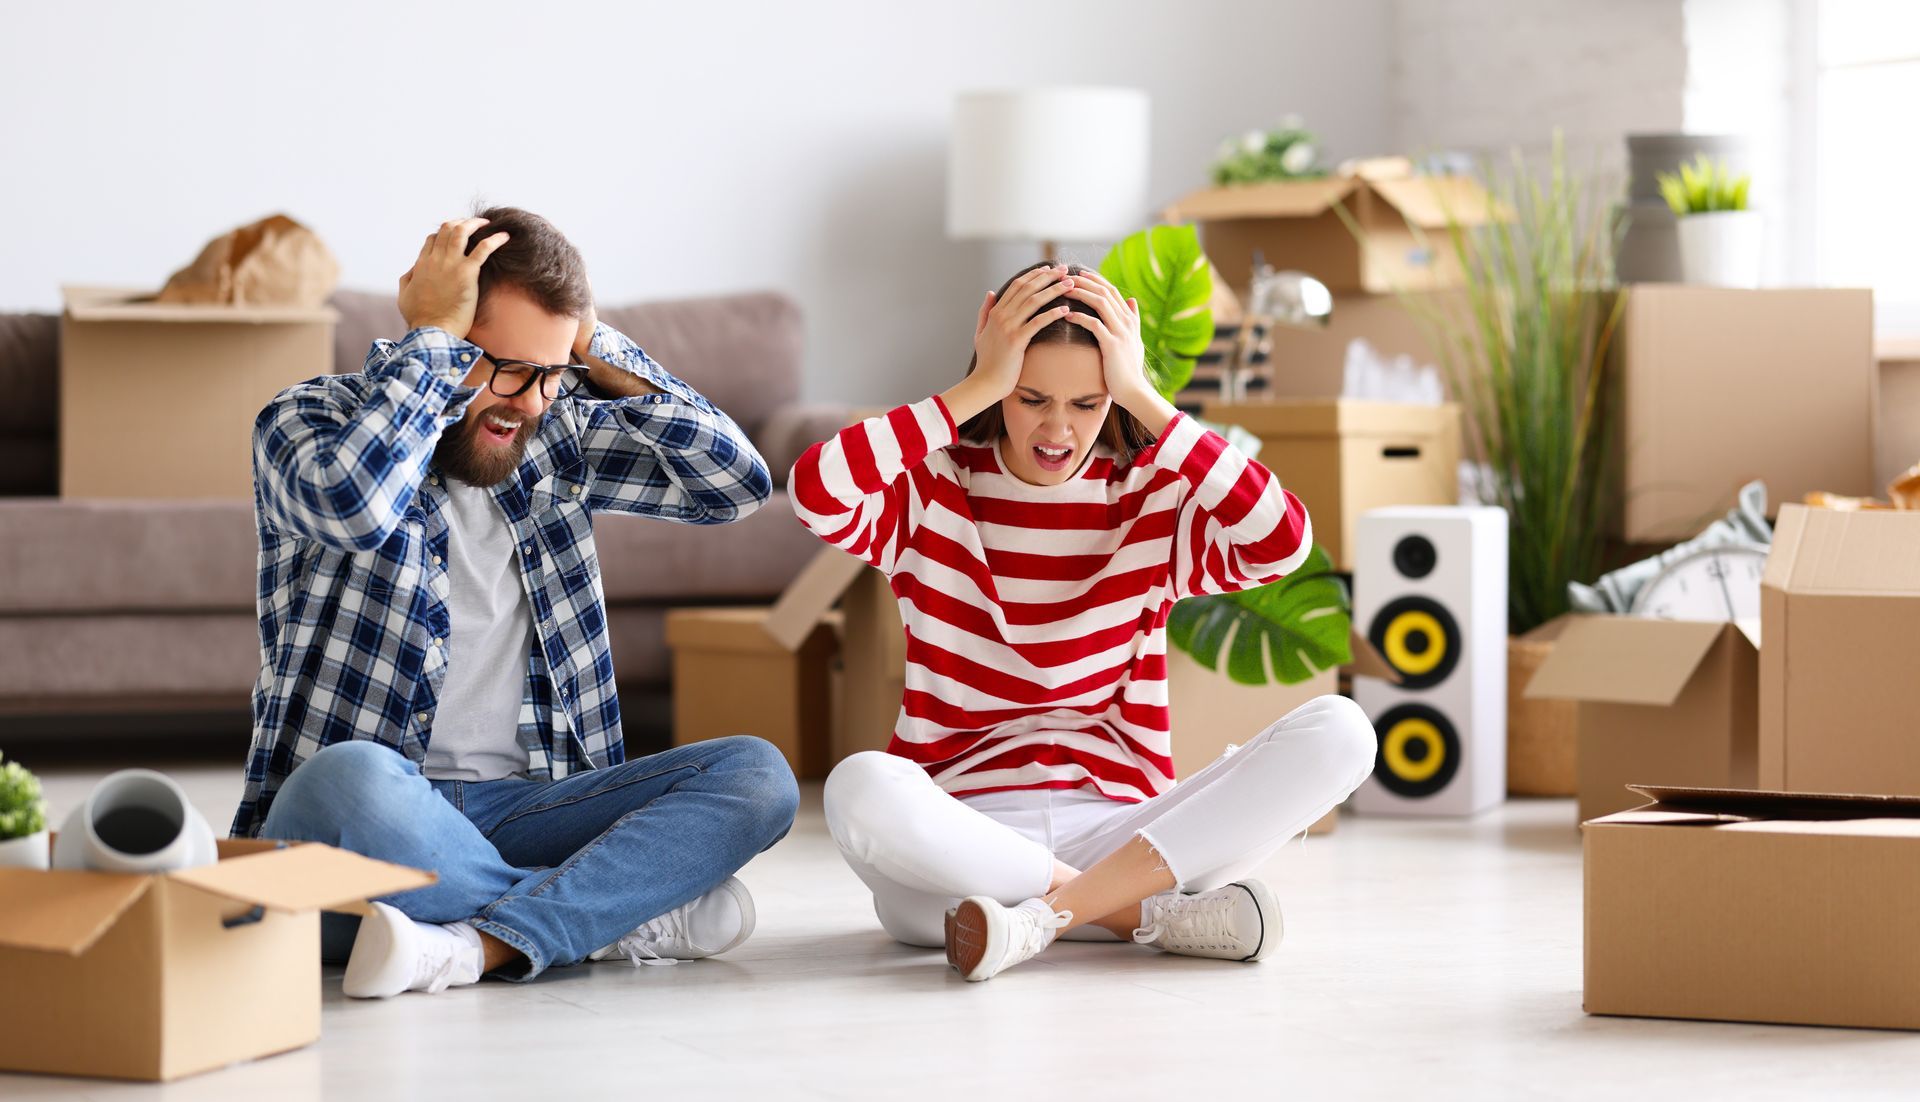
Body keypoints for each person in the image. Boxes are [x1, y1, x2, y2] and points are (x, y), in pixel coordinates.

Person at [234, 208, 798, 997]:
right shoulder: (308, 421)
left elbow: (736, 486)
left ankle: (489, 933)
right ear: (446, 334)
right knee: (349, 778)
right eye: (504, 369)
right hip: (356, 837)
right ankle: (598, 916)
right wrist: (429, 344)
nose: (529, 402)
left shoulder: (554, 442)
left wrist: (598, 349)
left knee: (758, 776)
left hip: (525, 808)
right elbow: (354, 508)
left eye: (549, 373)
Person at [792, 262, 1375, 981]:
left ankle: (1037, 921)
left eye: (1091, 402)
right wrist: (972, 389)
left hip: (1124, 833)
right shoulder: (930, 488)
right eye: (1030, 396)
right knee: (859, 788)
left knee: (1343, 733)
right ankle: (1146, 920)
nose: (1058, 429)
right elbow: (815, 491)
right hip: (962, 832)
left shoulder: (1153, 497)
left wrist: (1147, 400)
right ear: (997, 374)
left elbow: (1281, 543)